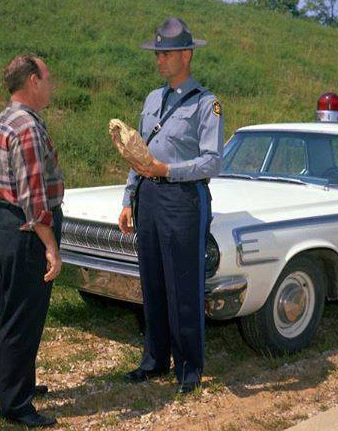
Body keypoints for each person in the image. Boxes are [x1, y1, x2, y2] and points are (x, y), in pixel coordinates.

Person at [117, 17, 224, 394]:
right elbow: (138, 152)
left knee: (183, 284)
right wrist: (130, 197)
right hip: (149, 197)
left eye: (166, 53)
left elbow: (213, 161)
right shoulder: (152, 99)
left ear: (187, 55)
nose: (159, 60)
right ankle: (155, 359)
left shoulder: (206, 104)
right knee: (154, 281)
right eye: (157, 53)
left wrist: (167, 170)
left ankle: (189, 368)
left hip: (183, 200)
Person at [0, 54, 64, 427]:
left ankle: (15, 385)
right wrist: (50, 245)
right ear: (32, 80)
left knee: (9, 311)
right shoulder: (27, 128)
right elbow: (33, 197)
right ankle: (16, 404)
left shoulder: (2, 119)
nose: (51, 84)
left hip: (3, 222)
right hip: (26, 230)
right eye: (47, 77)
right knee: (24, 316)